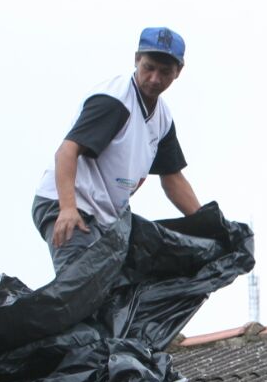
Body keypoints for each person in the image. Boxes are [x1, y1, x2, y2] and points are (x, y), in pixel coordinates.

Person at [32, 26, 203, 271]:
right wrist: (67, 208)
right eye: (149, 67)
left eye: (165, 72)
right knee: (81, 287)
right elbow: (67, 151)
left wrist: (206, 224)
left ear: (178, 72)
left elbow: (172, 177)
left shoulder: (162, 118)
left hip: (107, 217)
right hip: (70, 202)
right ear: (136, 59)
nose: (155, 79)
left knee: (117, 291)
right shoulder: (115, 102)